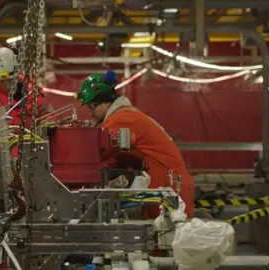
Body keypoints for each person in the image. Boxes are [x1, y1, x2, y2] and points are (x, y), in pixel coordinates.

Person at [74, 71, 194, 219]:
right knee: (161, 235)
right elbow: (117, 157)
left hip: (167, 183)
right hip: (168, 180)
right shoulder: (126, 114)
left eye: (91, 107)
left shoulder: (119, 119)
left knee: (166, 237)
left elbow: (100, 152)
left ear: (105, 102)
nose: (90, 113)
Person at [0, 44, 53, 127]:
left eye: (11, 80)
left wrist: (46, 124)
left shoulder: (32, 89)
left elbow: (47, 111)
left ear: (17, 75)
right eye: (2, 82)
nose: (7, 86)